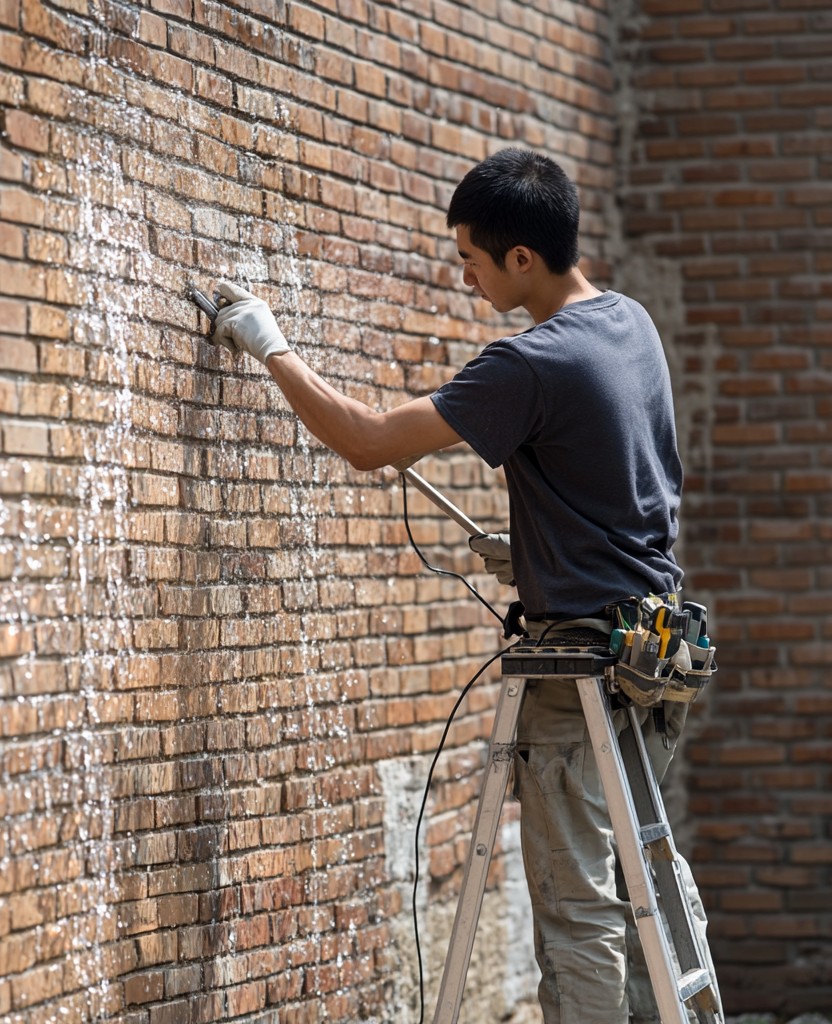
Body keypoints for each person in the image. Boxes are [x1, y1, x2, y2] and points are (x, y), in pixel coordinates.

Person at [210, 148, 715, 1024]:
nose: (465, 276)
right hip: (658, 651)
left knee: (580, 907)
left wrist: (271, 346)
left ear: (522, 257)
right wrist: (534, 551)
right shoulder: (629, 322)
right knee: (648, 880)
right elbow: (627, 483)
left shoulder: (531, 362)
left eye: (471, 259)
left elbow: (368, 441)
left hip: (583, 675)